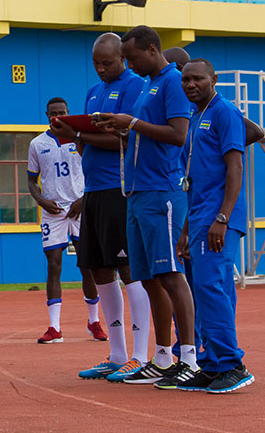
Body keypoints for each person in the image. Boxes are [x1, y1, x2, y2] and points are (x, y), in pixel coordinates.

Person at [96, 25, 198, 387]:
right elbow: (141, 131)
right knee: (150, 277)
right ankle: (162, 355)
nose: (128, 62)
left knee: (171, 274)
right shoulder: (148, 84)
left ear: (152, 50)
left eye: (132, 56)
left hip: (162, 192)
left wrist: (132, 122)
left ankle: (189, 357)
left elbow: (179, 134)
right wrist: (121, 128)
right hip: (137, 193)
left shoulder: (172, 81)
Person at [50, 32, 152, 381]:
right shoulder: (94, 91)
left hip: (120, 189)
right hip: (92, 188)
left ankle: (140, 355)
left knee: (129, 269)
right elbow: (90, 140)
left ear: (122, 58)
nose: (101, 69)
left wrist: (78, 136)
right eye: (96, 63)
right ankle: (117, 353)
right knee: (98, 269)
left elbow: (123, 137)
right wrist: (72, 133)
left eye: (107, 62)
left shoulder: (134, 87)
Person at [175, 58, 254, 393]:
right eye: (186, 80)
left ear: (214, 79)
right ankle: (212, 363)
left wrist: (222, 217)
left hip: (218, 218)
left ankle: (231, 364)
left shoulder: (224, 112)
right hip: (198, 216)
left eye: (197, 79)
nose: (191, 84)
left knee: (211, 287)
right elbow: (194, 180)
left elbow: (234, 167)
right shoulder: (196, 116)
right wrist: (184, 230)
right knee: (202, 289)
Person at [27, 97, 103, 344]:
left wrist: (84, 199)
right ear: (46, 114)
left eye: (62, 113)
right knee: (54, 265)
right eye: (53, 113)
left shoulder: (80, 139)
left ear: (68, 113)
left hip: (80, 208)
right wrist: (41, 200)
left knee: (87, 265)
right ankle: (54, 327)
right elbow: (31, 180)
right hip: (53, 211)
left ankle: (94, 321)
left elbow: (94, 171)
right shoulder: (37, 144)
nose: (58, 117)